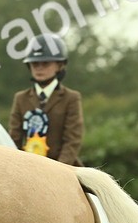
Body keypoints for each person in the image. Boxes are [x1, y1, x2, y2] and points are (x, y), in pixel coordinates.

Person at [8, 33, 85, 166]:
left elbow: (72, 140)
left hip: (64, 167)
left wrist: (57, 169)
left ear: (59, 65)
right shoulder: (20, 98)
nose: (39, 68)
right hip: (27, 166)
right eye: (35, 64)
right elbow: (14, 138)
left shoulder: (71, 98)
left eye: (45, 63)